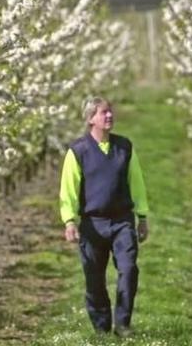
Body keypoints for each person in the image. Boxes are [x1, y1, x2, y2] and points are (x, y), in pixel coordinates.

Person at [59, 96, 149, 337]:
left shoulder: (124, 147)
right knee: (94, 277)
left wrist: (142, 217)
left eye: (110, 112)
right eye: (103, 113)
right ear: (90, 119)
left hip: (122, 221)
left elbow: (136, 183)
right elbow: (68, 189)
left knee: (129, 269)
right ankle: (101, 326)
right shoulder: (78, 152)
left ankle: (122, 323)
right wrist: (69, 220)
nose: (109, 116)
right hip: (93, 224)